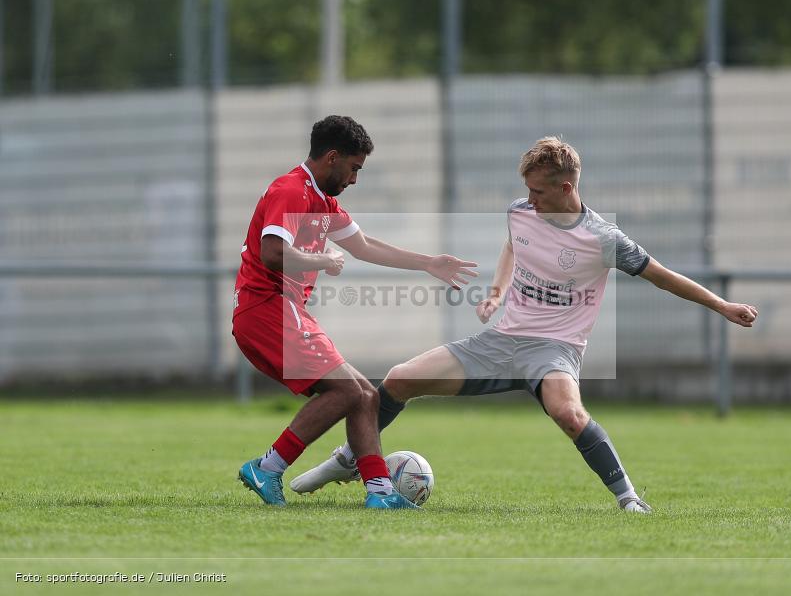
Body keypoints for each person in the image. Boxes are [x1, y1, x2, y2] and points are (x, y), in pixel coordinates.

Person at [290, 136, 759, 513]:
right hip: (499, 342)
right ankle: (348, 460)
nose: (529, 200)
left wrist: (721, 305)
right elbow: (514, 244)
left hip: (554, 349)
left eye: (539, 192)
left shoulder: (603, 238)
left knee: (569, 414)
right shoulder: (521, 211)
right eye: (528, 190)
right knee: (398, 379)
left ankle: (629, 498)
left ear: (566, 188)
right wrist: (497, 291)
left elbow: (662, 276)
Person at [232, 115, 477, 509]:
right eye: (353, 168)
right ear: (332, 157)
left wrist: (428, 263)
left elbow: (364, 245)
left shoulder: (323, 202)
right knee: (348, 390)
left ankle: (380, 493)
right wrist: (322, 259)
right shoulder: (291, 191)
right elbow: (272, 253)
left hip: (284, 310)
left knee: (365, 395)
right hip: (266, 308)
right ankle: (268, 467)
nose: (354, 179)